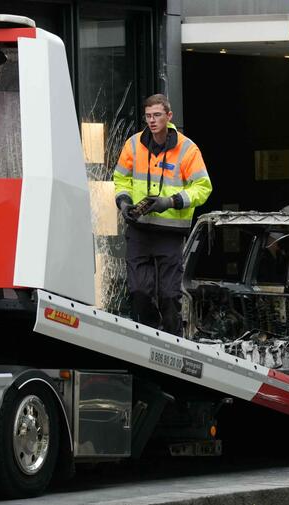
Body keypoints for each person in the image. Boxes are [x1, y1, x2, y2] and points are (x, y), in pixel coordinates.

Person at [113, 94, 212, 335]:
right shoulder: (134, 144)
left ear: (169, 116)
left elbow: (203, 187)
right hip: (139, 229)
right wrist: (124, 203)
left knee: (168, 295)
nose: (152, 120)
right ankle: (149, 337)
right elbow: (121, 179)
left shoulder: (187, 149)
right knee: (138, 291)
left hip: (170, 233)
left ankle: (173, 340)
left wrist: (171, 201)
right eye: (148, 116)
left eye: (157, 115)